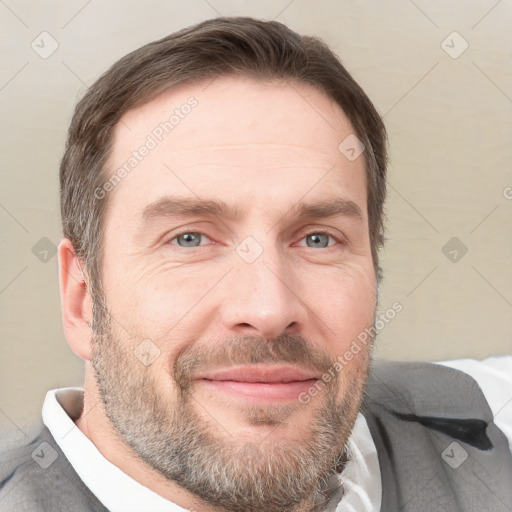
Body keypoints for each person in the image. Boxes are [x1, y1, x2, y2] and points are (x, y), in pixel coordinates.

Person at [1, 16, 511, 512]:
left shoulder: (488, 422)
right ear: (82, 299)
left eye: (317, 239)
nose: (268, 308)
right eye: (190, 238)